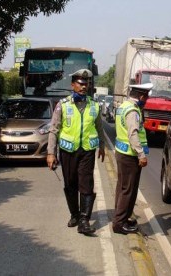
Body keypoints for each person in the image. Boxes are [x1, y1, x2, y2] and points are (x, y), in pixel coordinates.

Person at [46, 69, 105, 236]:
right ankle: (75, 214)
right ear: (73, 85)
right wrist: (51, 153)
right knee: (70, 183)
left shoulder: (94, 105)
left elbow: (99, 127)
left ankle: (84, 221)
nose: (84, 86)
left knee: (86, 184)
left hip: (87, 150)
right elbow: (54, 130)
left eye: (86, 84)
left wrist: (102, 145)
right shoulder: (63, 105)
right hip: (68, 151)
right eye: (80, 83)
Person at [112, 82, 153, 234]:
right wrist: (141, 155)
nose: (146, 99)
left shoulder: (123, 106)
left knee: (122, 187)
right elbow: (133, 134)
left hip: (122, 152)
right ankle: (119, 223)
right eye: (146, 97)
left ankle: (121, 217)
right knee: (128, 190)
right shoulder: (133, 111)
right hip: (130, 155)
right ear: (141, 96)